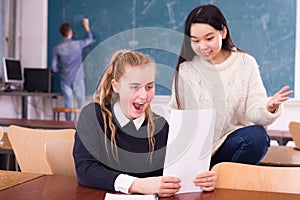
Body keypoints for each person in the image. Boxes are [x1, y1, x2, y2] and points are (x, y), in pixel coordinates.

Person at [73, 50, 217, 197]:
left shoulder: (160, 126)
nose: (143, 96)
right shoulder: (93, 116)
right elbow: (86, 170)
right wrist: (136, 184)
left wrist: (201, 180)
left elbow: (169, 174)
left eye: (149, 87)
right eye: (134, 87)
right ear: (116, 86)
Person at [169, 4, 293, 168]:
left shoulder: (245, 63)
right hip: (194, 151)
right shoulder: (186, 70)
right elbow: (175, 114)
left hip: (229, 147)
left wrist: (268, 107)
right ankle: (203, 174)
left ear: (223, 32)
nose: (203, 47)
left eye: (209, 38)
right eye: (195, 41)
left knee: (257, 136)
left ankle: (221, 177)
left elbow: (255, 112)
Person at [51, 18, 94, 121]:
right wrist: (86, 27)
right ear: (70, 32)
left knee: (68, 105)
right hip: (78, 78)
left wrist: (61, 70)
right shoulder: (77, 44)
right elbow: (90, 39)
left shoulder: (57, 48)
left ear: (61, 34)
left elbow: (53, 67)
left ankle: (68, 126)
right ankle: (82, 126)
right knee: (81, 104)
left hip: (65, 79)